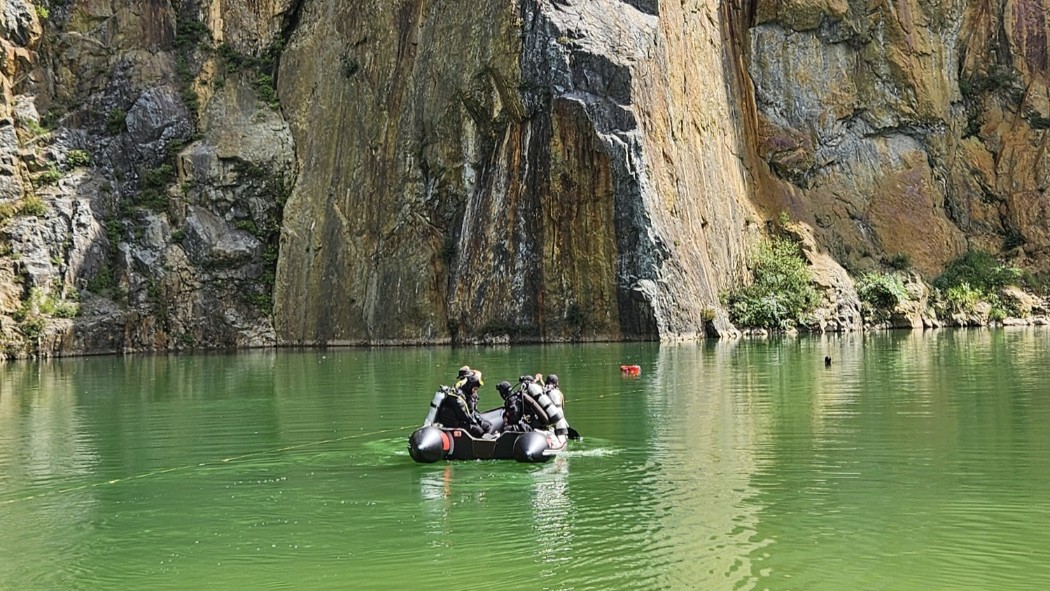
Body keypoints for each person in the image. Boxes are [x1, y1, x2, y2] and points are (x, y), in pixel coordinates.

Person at [436, 369, 495, 437]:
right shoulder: (458, 398)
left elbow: (470, 412)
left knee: (488, 426)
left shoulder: (465, 393)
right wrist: (477, 424)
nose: (475, 391)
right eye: (475, 389)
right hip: (453, 426)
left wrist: (479, 421)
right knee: (478, 430)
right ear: (470, 386)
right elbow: (465, 416)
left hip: (459, 422)